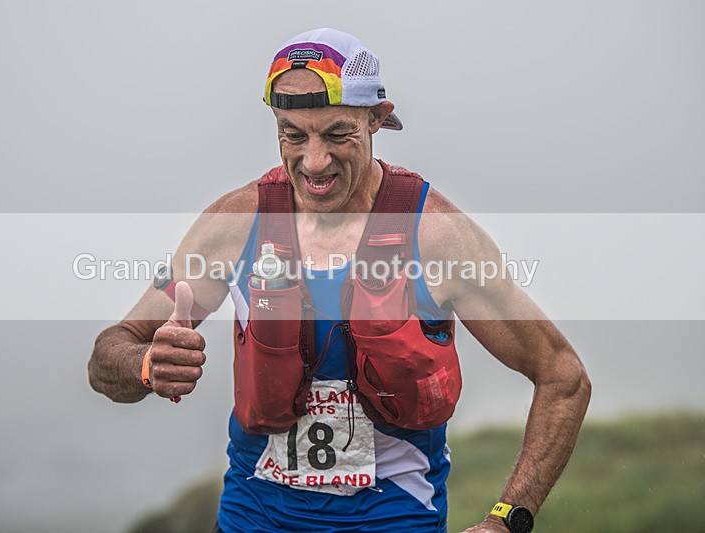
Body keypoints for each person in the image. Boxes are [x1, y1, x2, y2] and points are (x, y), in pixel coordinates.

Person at [88, 28, 591, 533]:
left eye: (336, 134)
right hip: (253, 519)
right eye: (293, 135)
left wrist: (508, 519)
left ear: (377, 119)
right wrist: (147, 366)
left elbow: (562, 377)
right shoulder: (237, 223)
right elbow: (110, 354)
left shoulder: (436, 234)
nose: (314, 162)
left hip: (396, 521)